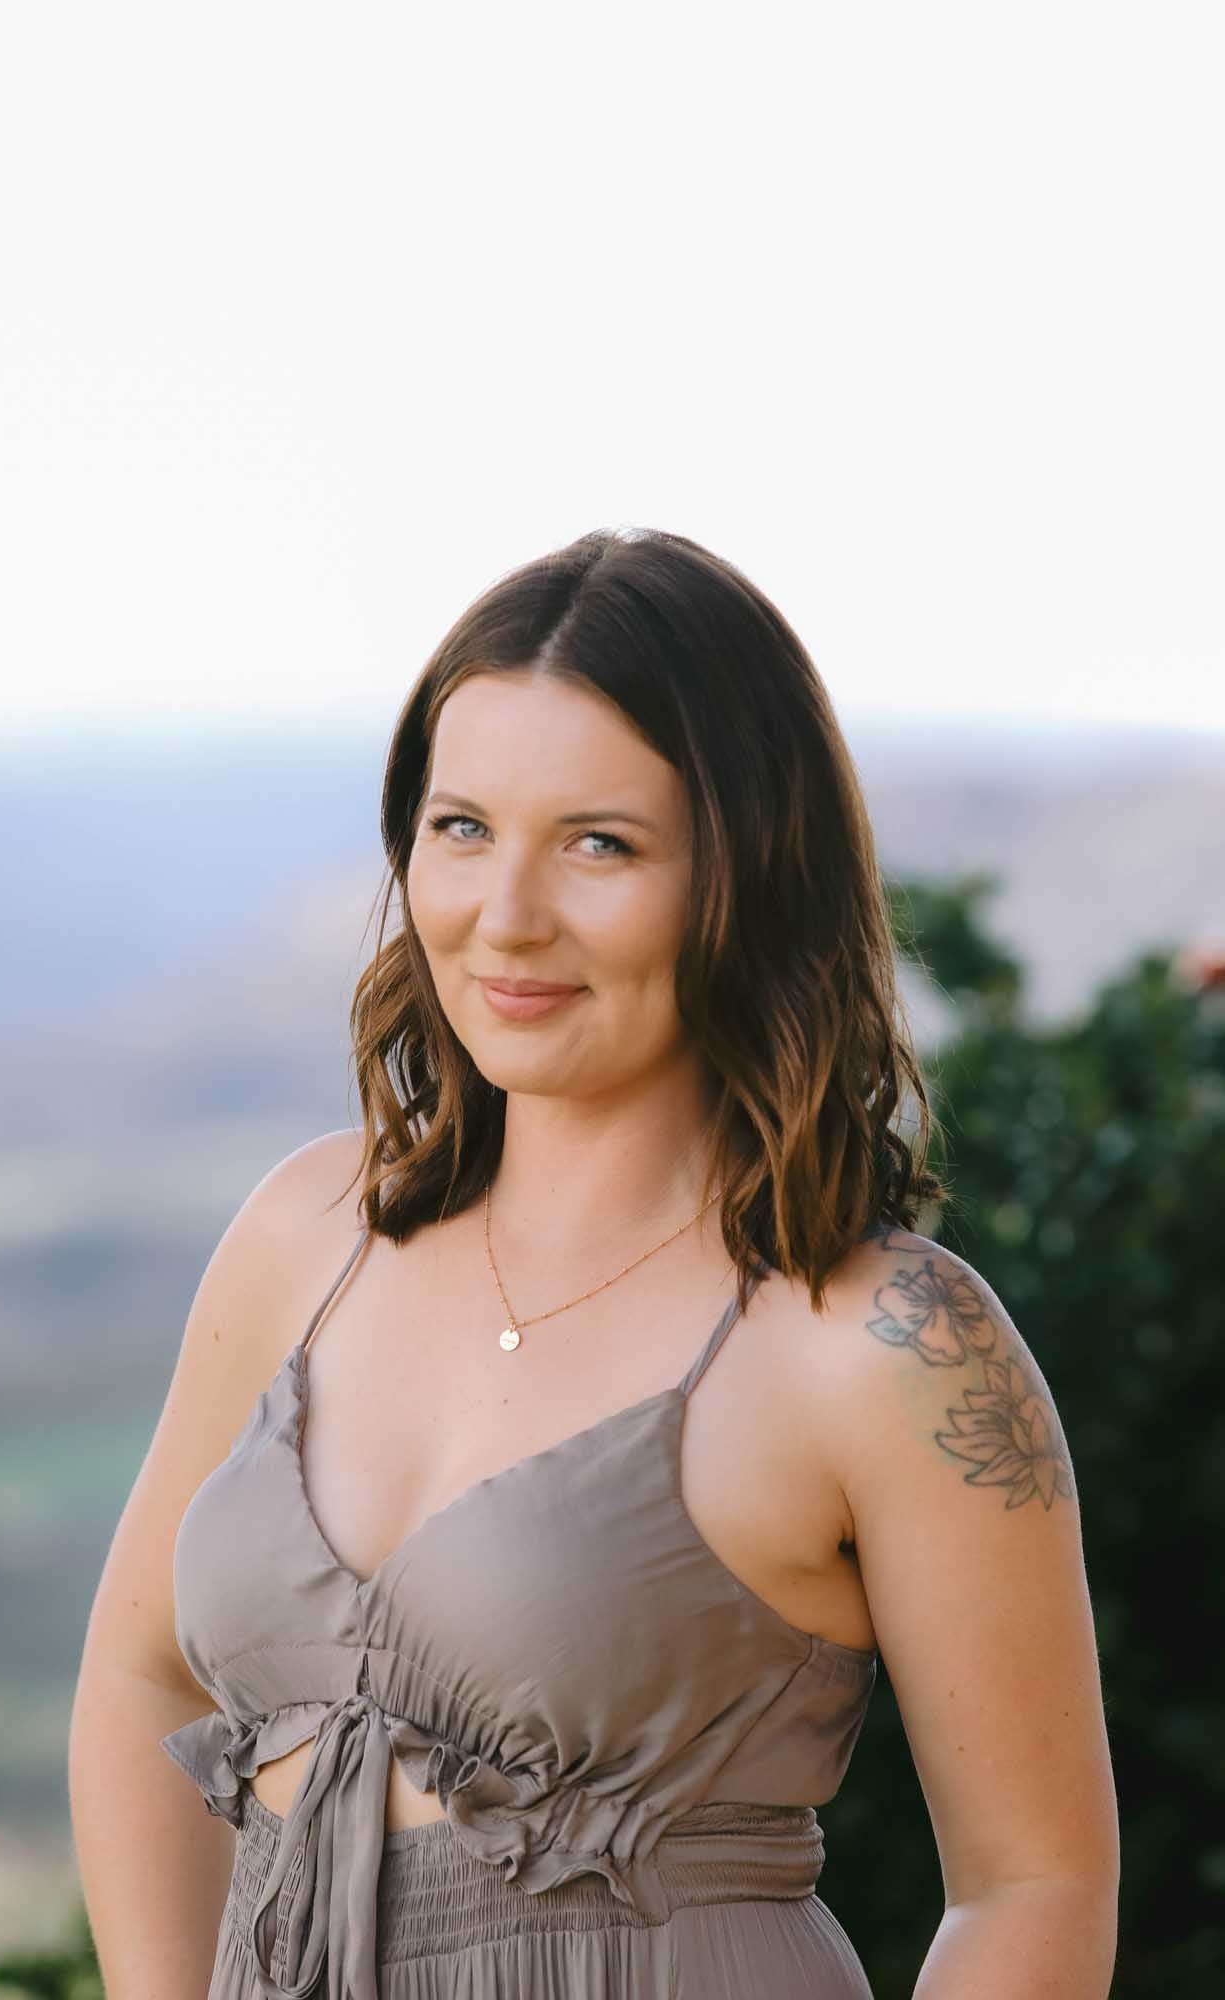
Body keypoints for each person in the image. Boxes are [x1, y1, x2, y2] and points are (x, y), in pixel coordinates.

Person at [69, 526, 1119, 1997]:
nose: (506, 917)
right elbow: (142, 1680)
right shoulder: (301, 1238)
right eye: (462, 829)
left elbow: (1033, 1884)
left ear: (742, 876)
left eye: (600, 844)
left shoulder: (878, 1341)